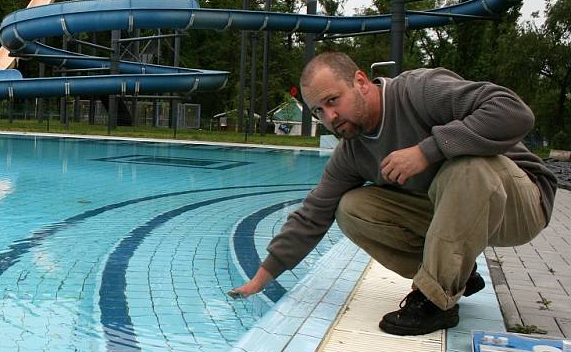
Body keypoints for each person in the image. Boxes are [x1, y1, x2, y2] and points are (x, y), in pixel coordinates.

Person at [229, 52, 557, 336]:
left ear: (359, 81)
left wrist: (428, 150)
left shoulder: (419, 91)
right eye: (318, 111)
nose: (330, 117)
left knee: (466, 167)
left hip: (521, 201)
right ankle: (456, 272)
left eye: (332, 100)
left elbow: (514, 112)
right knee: (351, 207)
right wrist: (261, 277)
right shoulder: (353, 151)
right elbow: (315, 211)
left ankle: (436, 302)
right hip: (456, 207)